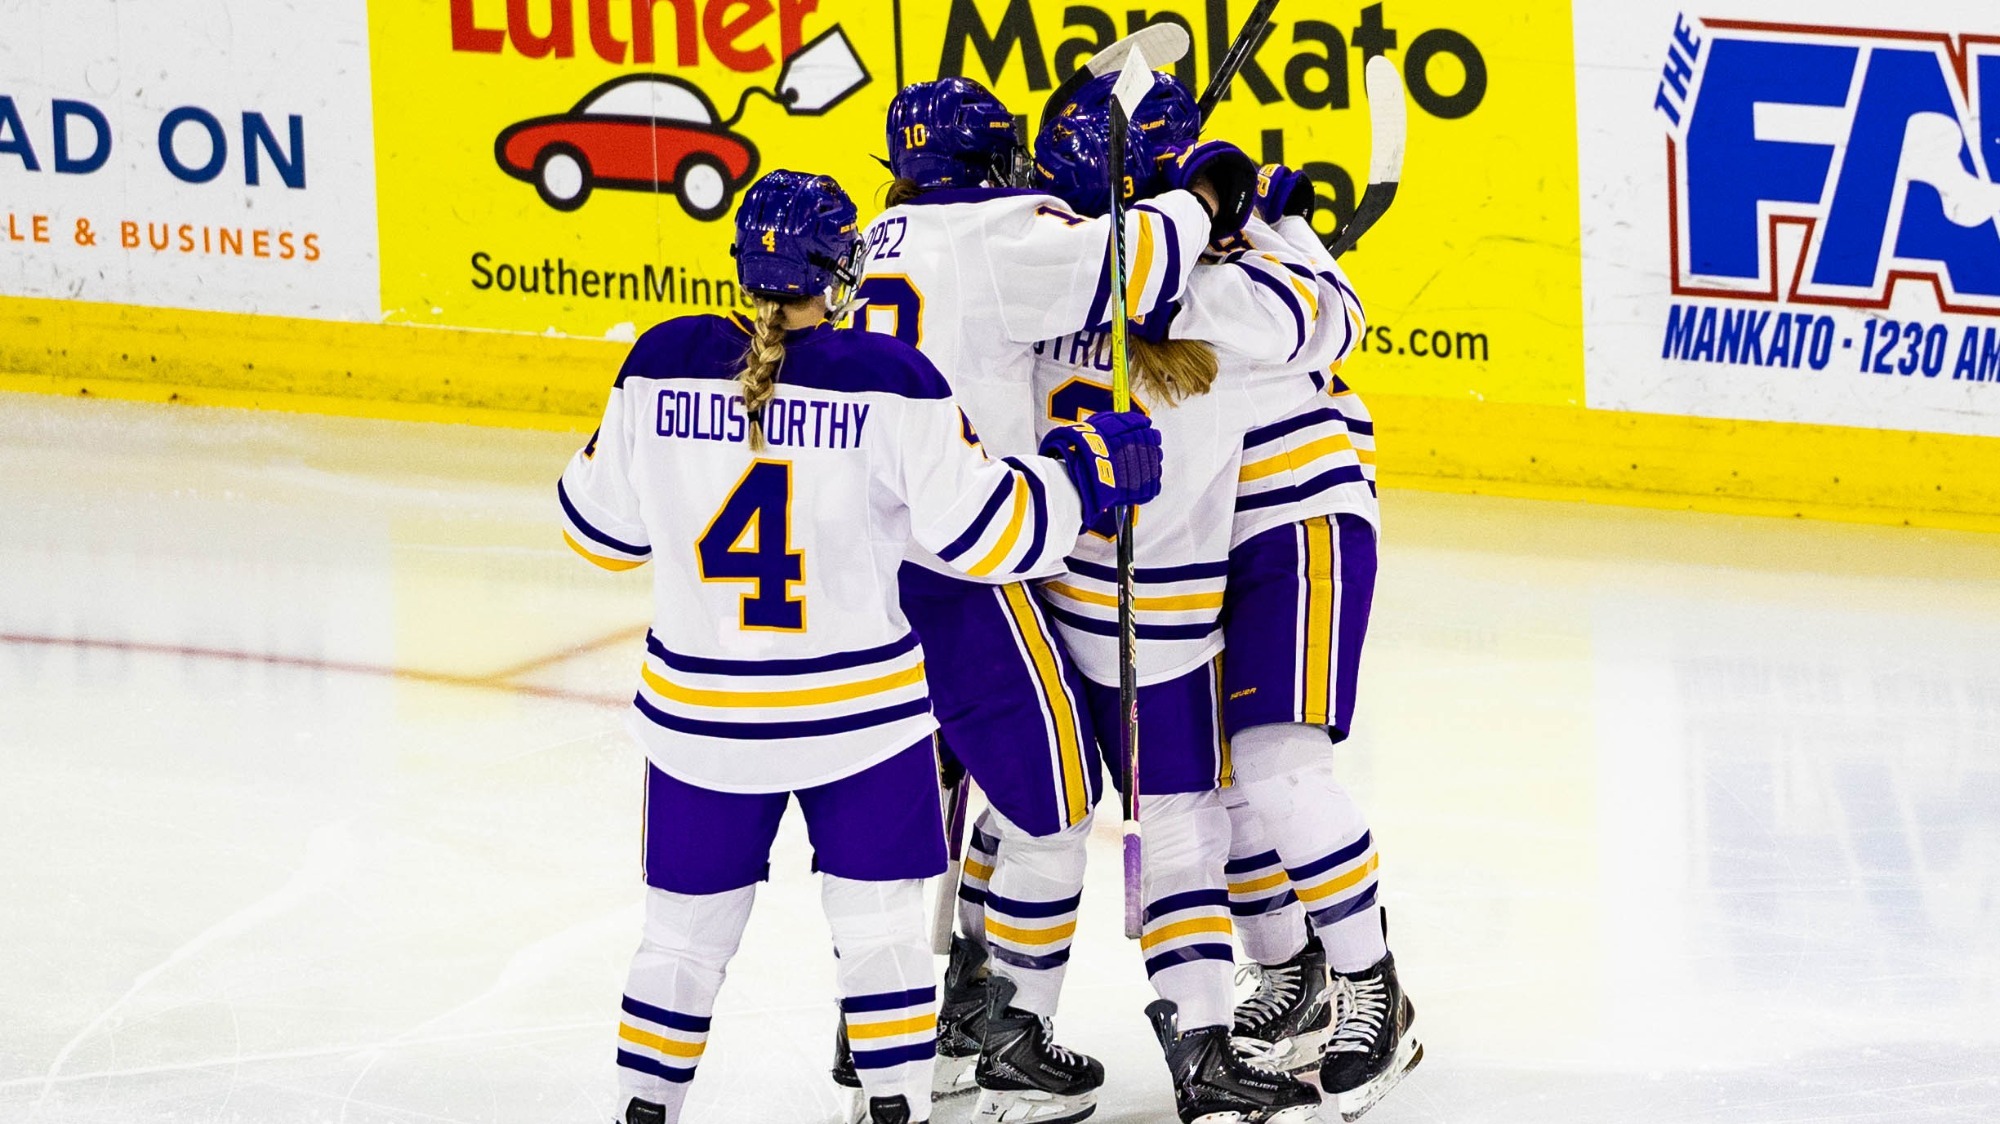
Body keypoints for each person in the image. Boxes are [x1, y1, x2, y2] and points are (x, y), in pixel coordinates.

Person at [556, 169, 1163, 1124]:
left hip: (702, 724)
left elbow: (597, 532)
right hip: (859, 724)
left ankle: (644, 1112)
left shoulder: (661, 359)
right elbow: (984, 539)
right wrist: (1083, 476)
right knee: (877, 935)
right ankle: (893, 1112)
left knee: (680, 940)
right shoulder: (890, 378)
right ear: (839, 270)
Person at [837, 75, 1254, 1122]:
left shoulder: (874, 237)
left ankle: (886, 1032)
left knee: (919, 808)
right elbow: (1135, 261)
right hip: (966, 565)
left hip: (856, 571)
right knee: (1054, 804)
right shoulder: (999, 228)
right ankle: (1006, 1036)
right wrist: (1200, 194)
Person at [1026, 72, 1359, 1124]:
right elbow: (1337, 324)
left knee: (1016, 822)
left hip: (1043, 589)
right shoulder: (1221, 299)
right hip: (1161, 616)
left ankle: (976, 1020)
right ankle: (1201, 1050)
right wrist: (1274, 223)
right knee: (1182, 829)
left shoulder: (1022, 262)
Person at [1216, 167, 1423, 1121]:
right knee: (1220, 783)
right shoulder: (1115, 254)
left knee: (1278, 765)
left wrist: (1277, 225)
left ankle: (1372, 985)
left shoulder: (1249, 269)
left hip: (1297, 520)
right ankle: (1288, 970)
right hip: (1195, 543)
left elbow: (1343, 320)